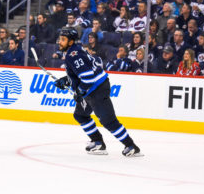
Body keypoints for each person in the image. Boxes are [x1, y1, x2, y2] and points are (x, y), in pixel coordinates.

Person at [54, 27, 141, 157]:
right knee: (80, 115)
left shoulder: (74, 55)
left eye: (63, 39)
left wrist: (80, 92)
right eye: (60, 39)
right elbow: (82, 74)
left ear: (71, 41)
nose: (60, 42)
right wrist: (67, 81)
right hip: (92, 89)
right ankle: (98, 142)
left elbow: (88, 77)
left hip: (97, 89)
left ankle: (131, 146)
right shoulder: (75, 51)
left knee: (108, 121)